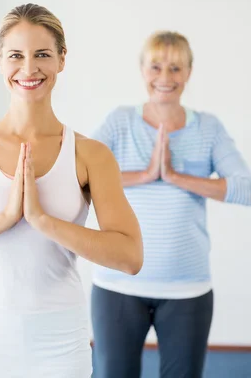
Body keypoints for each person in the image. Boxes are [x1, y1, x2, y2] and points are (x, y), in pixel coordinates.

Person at [0, 3, 143, 378]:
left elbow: (130, 256)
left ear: (62, 60)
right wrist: (3, 220)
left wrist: (42, 221)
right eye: (16, 55)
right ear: (0, 61)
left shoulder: (90, 155)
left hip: (60, 342)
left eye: (43, 55)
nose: (29, 69)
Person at [90, 31, 251, 378]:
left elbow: (246, 188)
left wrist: (177, 177)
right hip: (118, 285)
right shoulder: (120, 122)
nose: (165, 78)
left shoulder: (208, 128)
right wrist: (147, 174)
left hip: (187, 288)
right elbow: (80, 175)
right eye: (156, 67)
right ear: (142, 70)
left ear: (189, 73)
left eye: (176, 68)